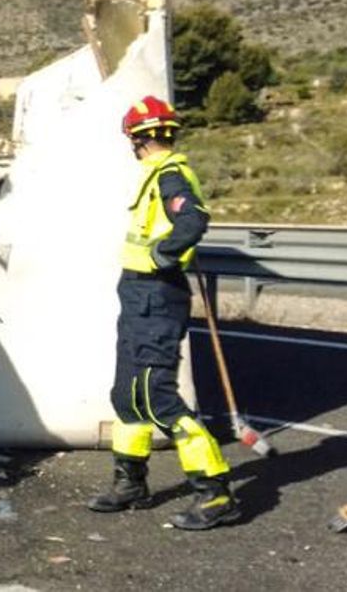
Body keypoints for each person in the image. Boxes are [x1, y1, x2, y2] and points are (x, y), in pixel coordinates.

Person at [87, 95, 239, 530]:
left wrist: (161, 255)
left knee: (156, 395)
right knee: (126, 393)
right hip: (138, 293)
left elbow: (192, 221)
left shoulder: (171, 174)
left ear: (135, 139)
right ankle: (130, 483)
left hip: (156, 292)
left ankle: (216, 492)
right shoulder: (155, 173)